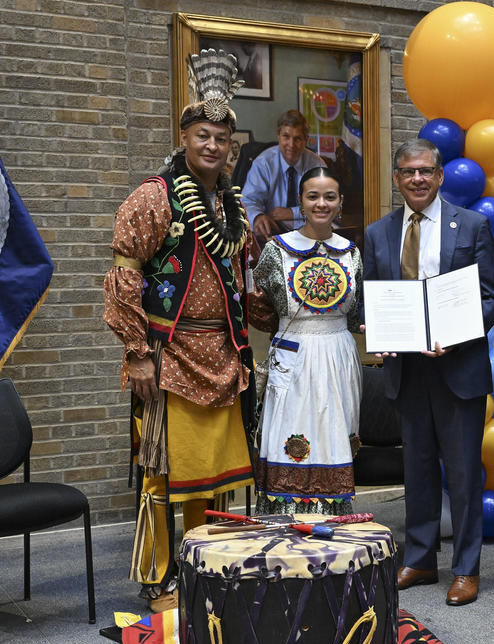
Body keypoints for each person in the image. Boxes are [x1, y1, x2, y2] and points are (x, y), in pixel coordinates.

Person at [103, 49, 255, 612]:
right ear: (184, 136)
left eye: (222, 138)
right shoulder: (155, 197)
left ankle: (210, 567)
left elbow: (242, 275)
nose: (212, 145)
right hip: (169, 353)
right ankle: (159, 578)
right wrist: (137, 352)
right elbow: (124, 273)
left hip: (223, 351)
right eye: (202, 135)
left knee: (214, 475)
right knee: (164, 473)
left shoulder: (230, 206)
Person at [362, 139, 494, 607]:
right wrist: (372, 327)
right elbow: (373, 295)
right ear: (397, 179)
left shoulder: (474, 225)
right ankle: (420, 559)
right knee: (417, 470)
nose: (417, 179)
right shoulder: (378, 232)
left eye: (425, 171)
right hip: (406, 370)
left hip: (457, 367)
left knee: (463, 475)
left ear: (440, 176)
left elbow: (490, 299)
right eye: (407, 172)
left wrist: (457, 335)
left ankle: (465, 569)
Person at [250, 167, 363, 515]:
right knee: (291, 435)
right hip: (293, 354)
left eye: (330, 196)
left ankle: (335, 527)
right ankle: (285, 525)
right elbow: (259, 307)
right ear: (299, 201)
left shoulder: (351, 252)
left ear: (340, 202)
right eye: (312, 195)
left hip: (339, 352)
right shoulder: (276, 251)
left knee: (334, 436)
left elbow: (357, 312)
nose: (321, 203)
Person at [242, 110, 326, 244]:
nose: (291, 145)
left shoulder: (317, 165)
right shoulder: (263, 163)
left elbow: (326, 204)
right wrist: (257, 217)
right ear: (278, 136)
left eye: (297, 138)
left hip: (309, 234)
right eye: (286, 136)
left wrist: (292, 213)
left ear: (306, 139)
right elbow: (248, 201)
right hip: (272, 232)